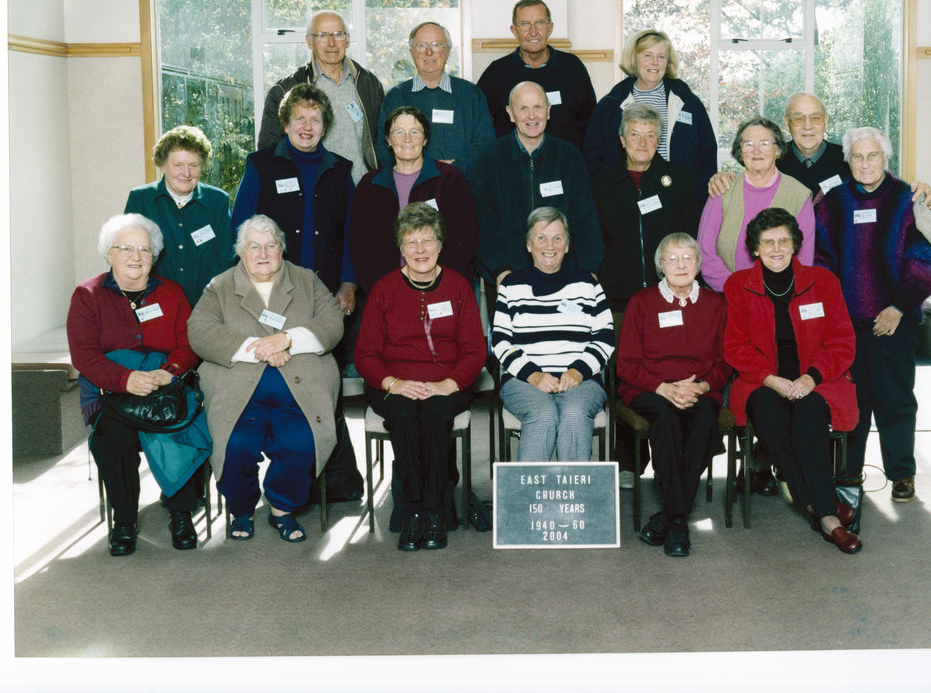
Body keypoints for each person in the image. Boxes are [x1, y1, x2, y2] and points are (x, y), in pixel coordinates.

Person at [187, 215, 344, 543]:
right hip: (238, 391)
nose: (262, 253)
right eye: (253, 246)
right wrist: (259, 348)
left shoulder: (305, 280)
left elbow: (332, 323)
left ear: (282, 249)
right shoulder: (221, 285)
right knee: (234, 445)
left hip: (299, 389)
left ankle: (281, 509)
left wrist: (287, 339)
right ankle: (241, 509)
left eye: (270, 245)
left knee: (302, 443)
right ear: (240, 252)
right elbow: (199, 331)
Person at [814, 127, 931, 503]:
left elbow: (927, 262)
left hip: (896, 320)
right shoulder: (832, 201)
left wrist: (899, 306)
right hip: (846, 323)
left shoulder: (908, 198)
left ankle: (901, 474)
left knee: (896, 398)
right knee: (852, 398)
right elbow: (821, 261)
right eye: (857, 156)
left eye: (873, 156)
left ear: (885, 158)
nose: (865, 163)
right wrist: (833, 314)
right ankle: (850, 470)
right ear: (848, 160)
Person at [67, 213, 208, 556]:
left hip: (165, 387)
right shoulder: (87, 295)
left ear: (154, 256)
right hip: (111, 393)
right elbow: (84, 355)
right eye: (125, 248)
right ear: (109, 253)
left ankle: (180, 514)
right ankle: (125, 520)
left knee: (180, 425)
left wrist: (169, 372)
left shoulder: (172, 293)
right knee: (111, 439)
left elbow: (189, 343)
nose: (135, 257)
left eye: (144, 250)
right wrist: (125, 378)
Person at [724, 208, 862, 554]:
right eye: (767, 241)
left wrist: (811, 378)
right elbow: (735, 347)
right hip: (761, 380)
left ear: (795, 244)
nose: (776, 248)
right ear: (755, 248)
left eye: (783, 240)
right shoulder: (738, 285)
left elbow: (842, 342)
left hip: (817, 379)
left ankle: (821, 510)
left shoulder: (824, 281)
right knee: (770, 417)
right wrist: (771, 379)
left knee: (808, 418)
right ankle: (826, 510)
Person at [355, 203, 486, 551]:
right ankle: (412, 510)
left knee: (436, 412)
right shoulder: (383, 290)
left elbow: (475, 351)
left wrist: (448, 384)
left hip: (447, 382)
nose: (420, 250)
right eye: (411, 242)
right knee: (402, 414)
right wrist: (393, 384)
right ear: (400, 248)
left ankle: (435, 510)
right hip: (392, 383)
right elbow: (365, 353)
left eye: (427, 241)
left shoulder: (458, 288)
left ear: (440, 245)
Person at [617, 233, 731, 557]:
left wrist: (703, 386)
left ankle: (669, 515)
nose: (681, 265)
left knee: (703, 420)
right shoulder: (641, 302)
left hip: (699, 388)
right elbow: (626, 364)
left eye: (688, 258)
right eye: (672, 258)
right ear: (660, 265)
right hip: (649, 387)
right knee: (665, 420)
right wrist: (663, 388)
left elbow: (725, 363)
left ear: (698, 264)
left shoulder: (716, 304)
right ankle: (679, 519)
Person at [493, 207, 614, 463]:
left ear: (567, 245)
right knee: (544, 414)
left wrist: (577, 371)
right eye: (541, 238)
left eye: (558, 238)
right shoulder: (511, 286)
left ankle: (574, 499)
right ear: (528, 244)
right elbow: (501, 342)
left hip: (582, 380)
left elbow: (604, 338)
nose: (550, 245)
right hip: (523, 381)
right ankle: (531, 501)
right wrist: (534, 375)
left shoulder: (589, 285)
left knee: (573, 413)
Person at [472, 82, 604, 311]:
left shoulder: (569, 157)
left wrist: (588, 271)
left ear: (549, 110)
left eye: (537, 107)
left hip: (565, 279)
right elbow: (482, 222)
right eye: (523, 108)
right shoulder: (489, 160)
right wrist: (500, 271)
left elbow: (585, 218)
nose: (531, 116)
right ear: (510, 114)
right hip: (507, 279)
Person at [231, 83, 357, 317]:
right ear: (286, 123)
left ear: (324, 127)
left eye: (315, 120)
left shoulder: (340, 172)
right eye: (300, 118)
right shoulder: (260, 166)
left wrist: (348, 282)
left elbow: (353, 234)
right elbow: (239, 228)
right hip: (270, 289)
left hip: (326, 292)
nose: (307, 127)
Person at [707, 91, 931, 211]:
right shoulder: (773, 158)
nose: (808, 126)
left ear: (825, 121)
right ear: (786, 123)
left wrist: (914, 191)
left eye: (815, 118)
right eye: (799, 119)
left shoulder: (847, 157)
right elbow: (749, 182)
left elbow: (879, 185)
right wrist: (723, 179)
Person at [351, 105, 478, 294]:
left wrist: (438, 285)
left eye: (415, 132)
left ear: (425, 139)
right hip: (388, 292)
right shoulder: (370, 185)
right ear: (388, 139)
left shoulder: (449, 179)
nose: (407, 139)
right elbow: (360, 247)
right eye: (399, 132)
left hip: (441, 289)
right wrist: (382, 292)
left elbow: (465, 239)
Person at [590, 103, 700, 314]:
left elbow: (691, 235)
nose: (642, 143)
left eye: (649, 135)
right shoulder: (601, 184)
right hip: (618, 298)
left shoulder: (680, 178)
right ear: (622, 140)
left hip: (670, 293)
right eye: (634, 134)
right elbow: (595, 241)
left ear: (658, 141)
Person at [584, 29, 717, 202]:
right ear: (634, 59)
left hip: (677, 197)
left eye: (661, 56)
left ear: (667, 62)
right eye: (647, 55)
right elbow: (593, 159)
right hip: (624, 200)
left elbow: (706, 154)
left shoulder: (688, 102)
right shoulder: (610, 106)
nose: (654, 62)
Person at [256, 10, 383, 184]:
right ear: (310, 41)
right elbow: (269, 151)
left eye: (338, 34)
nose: (331, 43)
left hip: (363, 190)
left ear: (347, 39)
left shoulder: (368, 84)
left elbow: (383, 142)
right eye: (322, 35)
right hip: (313, 191)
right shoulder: (285, 90)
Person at [698, 115, 814, 293]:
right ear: (741, 152)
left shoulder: (799, 195)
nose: (756, 151)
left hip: (780, 297)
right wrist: (737, 291)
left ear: (778, 150)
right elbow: (705, 254)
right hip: (727, 295)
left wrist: (772, 295)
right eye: (749, 144)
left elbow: (804, 260)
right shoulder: (722, 190)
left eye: (765, 143)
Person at [124, 126, 234, 307]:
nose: (186, 173)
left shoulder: (217, 201)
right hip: (153, 305)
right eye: (178, 165)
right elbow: (126, 257)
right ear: (162, 165)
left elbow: (224, 259)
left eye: (193, 165)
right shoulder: (141, 200)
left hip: (206, 305)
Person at [375, 21, 495, 183]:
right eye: (421, 46)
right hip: (412, 188)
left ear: (447, 51)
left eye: (436, 45)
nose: (429, 52)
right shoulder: (396, 97)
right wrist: (415, 174)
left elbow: (485, 143)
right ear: (411, 52)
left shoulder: (471, 94)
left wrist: (455, 169)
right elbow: (383, 146)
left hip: (463, 185)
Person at [476, 0, 596, 150]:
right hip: (512, 168)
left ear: (550, 28)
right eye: (525, 24)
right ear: (514, 31)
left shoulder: (572, 68)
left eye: (540, 23)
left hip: (563, 166)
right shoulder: (496, 73)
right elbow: (479, 125)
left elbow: (590, 122)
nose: (533, 32)